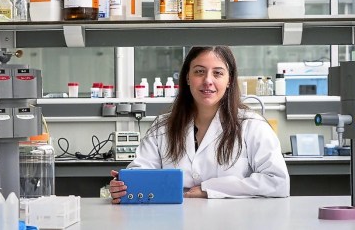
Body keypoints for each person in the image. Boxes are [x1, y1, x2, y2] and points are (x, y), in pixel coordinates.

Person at [110, 46, 290, 203]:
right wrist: (124, 185)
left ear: (229, 80)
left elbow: (278, 183)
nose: (208, 81)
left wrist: (210, 188)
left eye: (217, 73)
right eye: (199, 71)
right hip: (174, 221)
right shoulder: (163, 126)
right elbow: (141, 174)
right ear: (187, 77)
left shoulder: (253, 126)